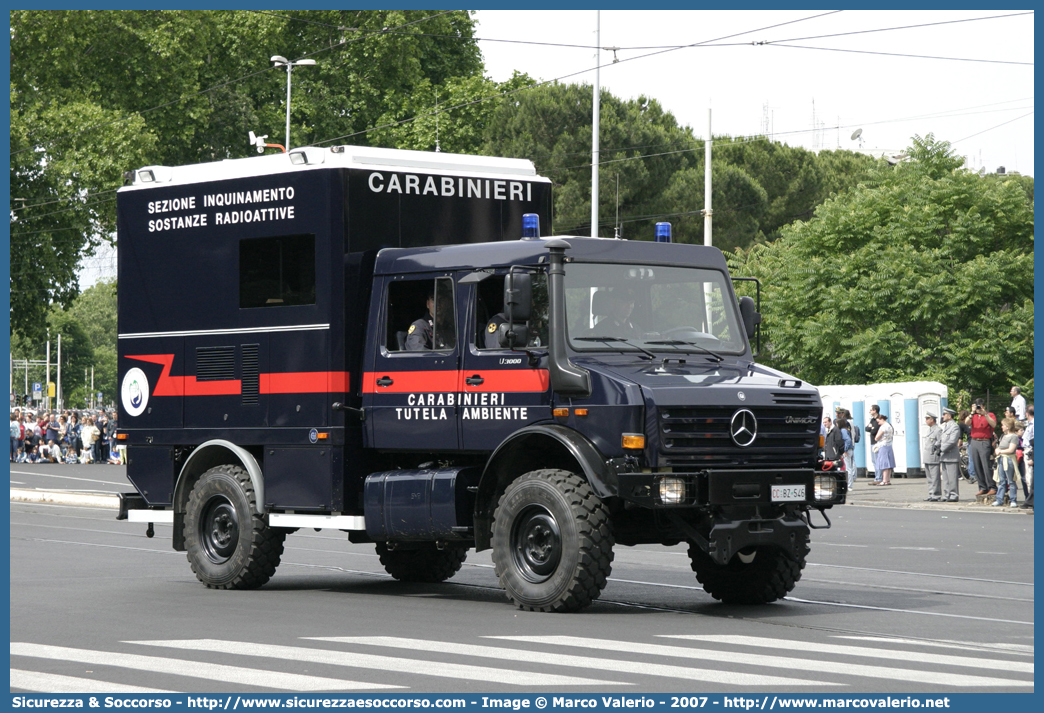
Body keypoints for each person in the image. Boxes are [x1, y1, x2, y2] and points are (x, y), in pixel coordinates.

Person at [966, 398, 997, 497]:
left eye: (979, 406)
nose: (978, 409)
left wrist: (985, 414)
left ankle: (992, 486)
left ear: (983, 406)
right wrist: (972, 412)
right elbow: (966, 422)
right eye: (977, 406)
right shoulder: (973, 416)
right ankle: (982, 487)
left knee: (986, 465)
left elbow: (993, 424)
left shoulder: (990, 415)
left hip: (984, 441)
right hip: (974, 441)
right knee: (977, 465)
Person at [992, 417, 1020, 508]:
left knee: (1011, 480)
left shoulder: (1014, 436)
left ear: (1007, 426)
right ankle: (999, 499)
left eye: (1003, 425)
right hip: (1001, 459)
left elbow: (1011, 449)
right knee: (1001, 480)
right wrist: (997, 449)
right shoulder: (1003, 436)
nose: (1002, 427)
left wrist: (1000, 451)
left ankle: (1013, 499)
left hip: (1009, 459)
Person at [938, 408, 961, 502]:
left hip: (951, 455)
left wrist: (941, 449)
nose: (943, 416)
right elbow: (942, 439)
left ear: (949, 416)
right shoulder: (946, 426)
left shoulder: (954, 426)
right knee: (946, 478)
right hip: (944, 456)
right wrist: (937, 446)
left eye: (944, 414)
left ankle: (953, 494)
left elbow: (952, 441)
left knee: (952, 477)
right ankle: (946, 494)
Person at [921, 412, 943, 501]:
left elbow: (940, 441)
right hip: (927, 456)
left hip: (933, 456)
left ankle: (936, 494)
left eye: (927, 418)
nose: (926, 420)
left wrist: (936, 447)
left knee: (935, 477)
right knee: (929, 477)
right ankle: (931, 493)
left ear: (932, 420)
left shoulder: (938, 430)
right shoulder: (929, 430)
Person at [872, 414, 895, 486]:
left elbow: (877, 437)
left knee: (884, 464)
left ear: (881, 419)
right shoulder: (889, 426)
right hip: (889, 445)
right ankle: (888, 480)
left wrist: (876, 438)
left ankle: (884, 481)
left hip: (883, 446)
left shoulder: (883, 427)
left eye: (878, 422)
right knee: (889, 463)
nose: (878, 423)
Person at [837, 417, 856, 488]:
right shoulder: (845, 430)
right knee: (848, 467)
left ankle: (849, 485)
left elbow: (847, 440)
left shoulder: (843, 431)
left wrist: (845, 450)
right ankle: (848, 485)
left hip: (847, 451)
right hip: (849, 449)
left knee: (848, 468)